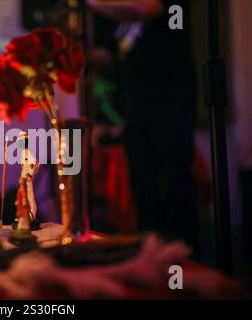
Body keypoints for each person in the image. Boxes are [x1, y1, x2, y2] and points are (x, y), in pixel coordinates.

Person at [88, 0, 199, 252]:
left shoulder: (161, 7)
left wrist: (92, 3)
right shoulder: (123, 26)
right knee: (144, 187)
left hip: (169, 101)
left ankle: (184, 260)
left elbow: (146, 9)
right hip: (137, 106)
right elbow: (109, 57)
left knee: (173, 183)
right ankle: (154, 255)